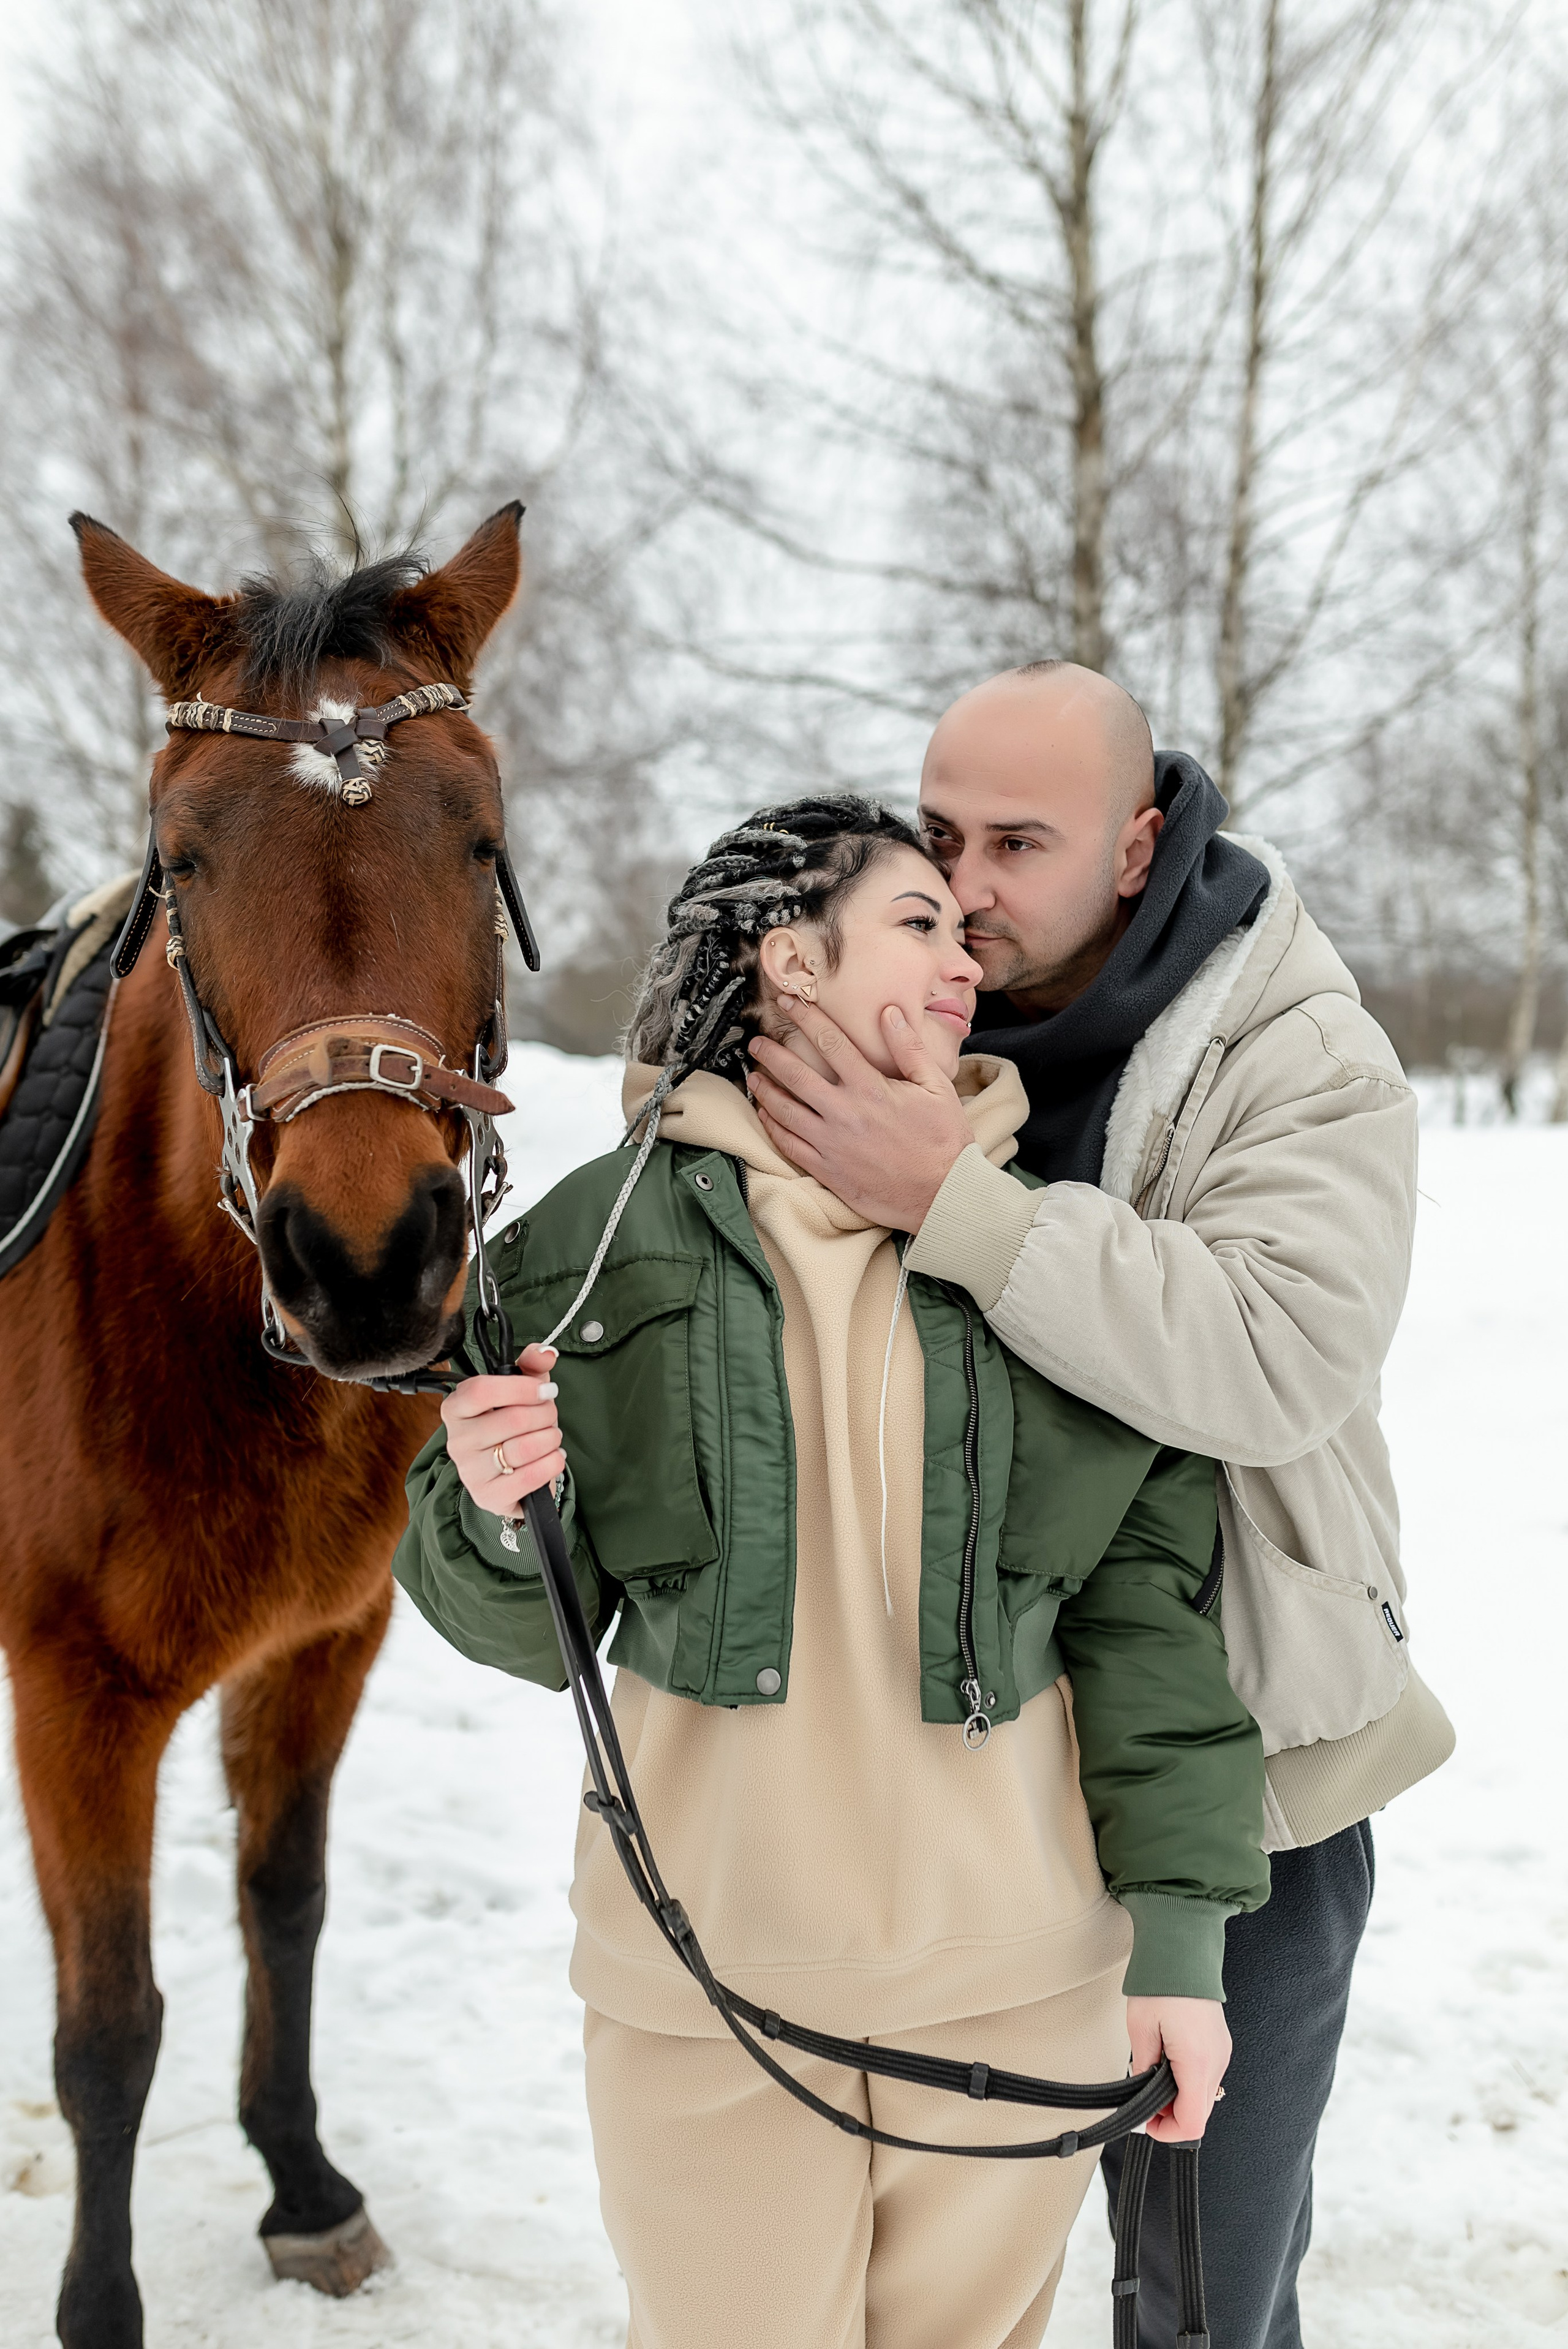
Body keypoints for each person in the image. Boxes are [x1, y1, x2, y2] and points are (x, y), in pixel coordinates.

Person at [393, 796, 1268, 2349]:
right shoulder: (586, 1249)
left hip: (1022, 1993)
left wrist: (1182, 1953)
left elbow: (1146, 1627)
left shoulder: (1059, 1256)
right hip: (708, 1996)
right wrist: (481, 1498)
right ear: (790, 960)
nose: (964, 961)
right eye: (919, 924)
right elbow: (524, 1630)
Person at [744, 669, 1456, 2349]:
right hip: (945, 1771)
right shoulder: (907, 1007)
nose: (965, 883)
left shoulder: (1299, 1052)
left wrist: (954, 1204)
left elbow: (1274, 1352)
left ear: (1139, 845)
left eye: (1017, 840)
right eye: (937, 834)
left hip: (1239, 1772)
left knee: (1197, 2294)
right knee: (919, 2287)